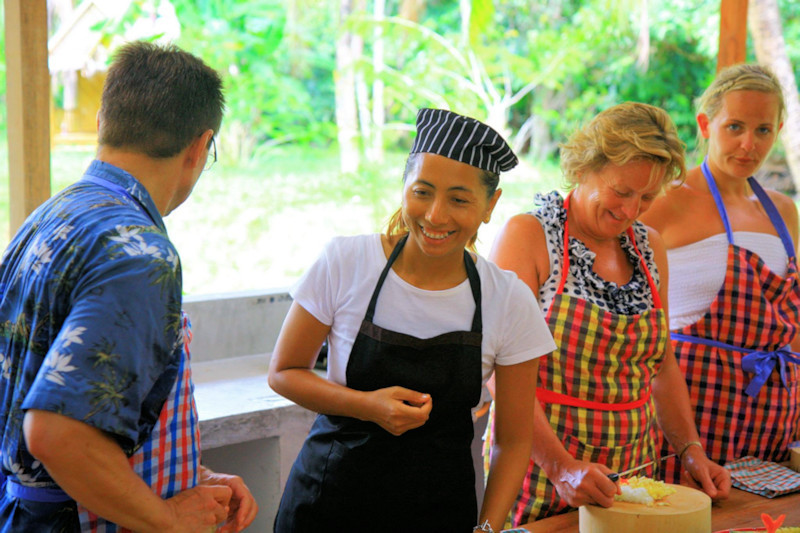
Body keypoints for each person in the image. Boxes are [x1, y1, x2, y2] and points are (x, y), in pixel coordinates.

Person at [0, 41, 257, 532]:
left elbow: (86, 411)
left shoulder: (50, 219)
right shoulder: (140, 255)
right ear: (200, 148)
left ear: (102, 121)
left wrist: (191, 477)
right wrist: (166, 516)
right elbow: (57, 432)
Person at [268, 108, 557, 532]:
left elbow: (512, 443)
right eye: (422, 191)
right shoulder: (346, 261)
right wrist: (367, 406)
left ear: (490, 205)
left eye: (459, 199)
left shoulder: (507, 299)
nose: (436, 215)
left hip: (439, 512)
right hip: (326, 505)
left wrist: (487, 529)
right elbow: (284, 372)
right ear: (403, 185)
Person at [487, 102, 731, 525]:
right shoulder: (529, 236)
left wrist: (691, 451)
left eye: (647, 197)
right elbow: (496, 367)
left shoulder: (648, 246)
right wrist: (561, 466)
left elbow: (662, 364)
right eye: (621, 191)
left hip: (633, 477)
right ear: (584, 167)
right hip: (541, 470)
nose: (631, 211)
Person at [640, 64, 800, 482]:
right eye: (735, 127)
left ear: (779, 129)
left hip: (774, 417)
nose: (749, 144)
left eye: (764, 130)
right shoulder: (665, 202)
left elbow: (792, 322)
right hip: (692, 416)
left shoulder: (784, 211)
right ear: (705, 124)